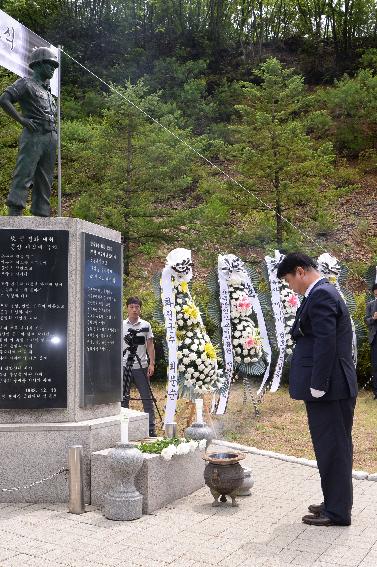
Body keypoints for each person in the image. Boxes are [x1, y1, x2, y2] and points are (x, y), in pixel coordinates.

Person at [277, 252, 358, 527]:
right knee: (333, 448)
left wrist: (318, 385)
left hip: (330, 389)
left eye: (289, 280)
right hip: (333, 388)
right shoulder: (321, 293)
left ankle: (337, 512)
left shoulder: (322, 294)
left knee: (333, 448)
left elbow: (326, 343)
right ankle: (335, 502)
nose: (291, 286)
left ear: (300, 271)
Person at [0, 47, 59, 216]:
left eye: (54, 66)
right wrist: (21, 120)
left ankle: (41, 214)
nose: (53, 69)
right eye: (50, 64)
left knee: (45, 178)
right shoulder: (25, 83)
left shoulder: (48, 92)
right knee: (25, 172)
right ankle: (15, 211)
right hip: (34, 134)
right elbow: (4, 99)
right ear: (38, 64)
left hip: (50, 136)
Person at [122, 297, 156, 437]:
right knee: (123, 398)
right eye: (132, 307)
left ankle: (151, 428)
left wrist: (152, 363)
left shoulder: (146, 325)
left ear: (140, 309)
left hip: (141, 365)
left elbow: (150, 345)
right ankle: (123, 428)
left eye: (137, 307)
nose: (134, 310)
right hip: (124, 366)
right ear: (127, 308)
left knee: (146, 398)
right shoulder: (121, 325)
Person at [365, 283, 377, 399]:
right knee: (375, 366)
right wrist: (373, 318)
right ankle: (376, 392)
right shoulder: (370, 305)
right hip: (375, 339)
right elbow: (366, 321)